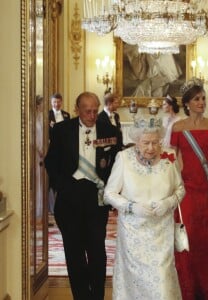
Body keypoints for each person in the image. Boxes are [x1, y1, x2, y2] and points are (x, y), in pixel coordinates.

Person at [44, 91, 122, 300]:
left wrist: (110, 188)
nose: (92, 115)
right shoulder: (61, 130)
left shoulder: (111, 131)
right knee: (74, 252)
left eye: (95, 110)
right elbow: (51, 161)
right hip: (69, 198)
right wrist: (62, 185)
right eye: (87, 111)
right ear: (77, 110)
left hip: (96, 198)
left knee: (97, 252)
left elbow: (117, 164)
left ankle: (96, 296)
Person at [104, 116, 186, 300]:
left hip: (161, 231)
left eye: (155, 143)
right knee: (134, 282)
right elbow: (109, 193)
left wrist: (168, 203)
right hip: (133, 232)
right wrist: (131, 207)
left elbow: (180, 189)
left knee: (162, 279)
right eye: (146, 142)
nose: (151, 148)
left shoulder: (169, 156)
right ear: (136, 141)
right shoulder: (123, 158)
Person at [170, 78, 208, 300]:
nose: (202, 102)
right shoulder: (178, 128)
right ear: (187, 103)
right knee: (190, 242)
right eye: (197, 99)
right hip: (186, 193)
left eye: (203, 98)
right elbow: (173, 162)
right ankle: (189, 289)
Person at [48, 92, 71, 215]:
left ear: (61, 102)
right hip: (52, 149)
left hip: (64, 150)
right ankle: (52, 205)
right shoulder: (47, 115)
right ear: (51, 102)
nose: (56, 104)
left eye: (58, 102)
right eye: (54, 102)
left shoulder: (66, 115)